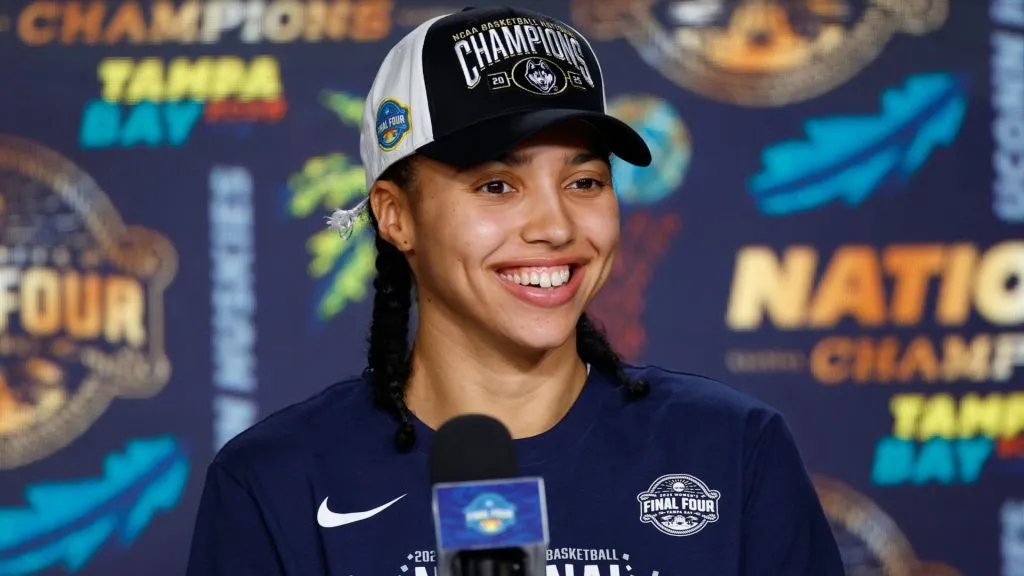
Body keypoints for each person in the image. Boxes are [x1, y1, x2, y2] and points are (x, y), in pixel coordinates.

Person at [185, 5, 845, 575]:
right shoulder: (277, 480)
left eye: (584, 183)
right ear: (395, 216)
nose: (556, 227)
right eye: (497, 186)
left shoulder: (732, 449)